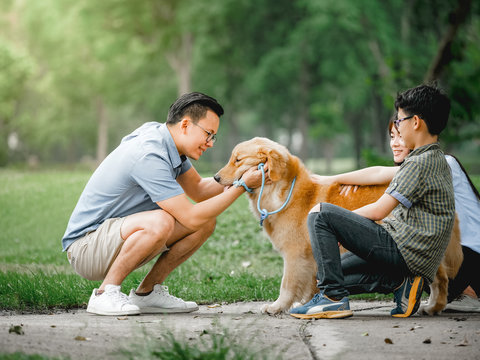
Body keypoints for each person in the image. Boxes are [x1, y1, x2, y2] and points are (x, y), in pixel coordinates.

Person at [62, 92, 265, 316]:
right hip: (86, 247)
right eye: (208, 134)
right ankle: (104, 294)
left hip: (113, 236)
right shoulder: (149, 154)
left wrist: (241, 173)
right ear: (186, 124)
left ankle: (147, 294)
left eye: (213, 137)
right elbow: (189, 215)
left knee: (204, 222)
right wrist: (242, 186)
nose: (210, 144)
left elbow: (198, 190)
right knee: (161, 221)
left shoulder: (167, 142)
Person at [290, 84, 455, 319]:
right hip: (413, 258)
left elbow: (379, 211)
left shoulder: (419, 163)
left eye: (399, 121)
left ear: (415, 122)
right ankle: (401, 284)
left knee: (320, 214)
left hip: (404, 250)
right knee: (330, 274)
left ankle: (333, 300)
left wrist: (338, 227)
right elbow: (377, 174)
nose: (397, 127)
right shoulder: (432, 157)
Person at [319, 120, 480, 313]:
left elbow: (379, 174)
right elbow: (380, 175)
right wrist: (340, 181)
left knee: (379, 262)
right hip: (440, 252)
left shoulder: (441, 163)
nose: (395, 143)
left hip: (469, 258)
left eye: (401, 136)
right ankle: (399, 283)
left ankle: (468, 294)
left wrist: (333, 186)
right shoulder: (416, 168)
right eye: (392, 136)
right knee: (336, 272)